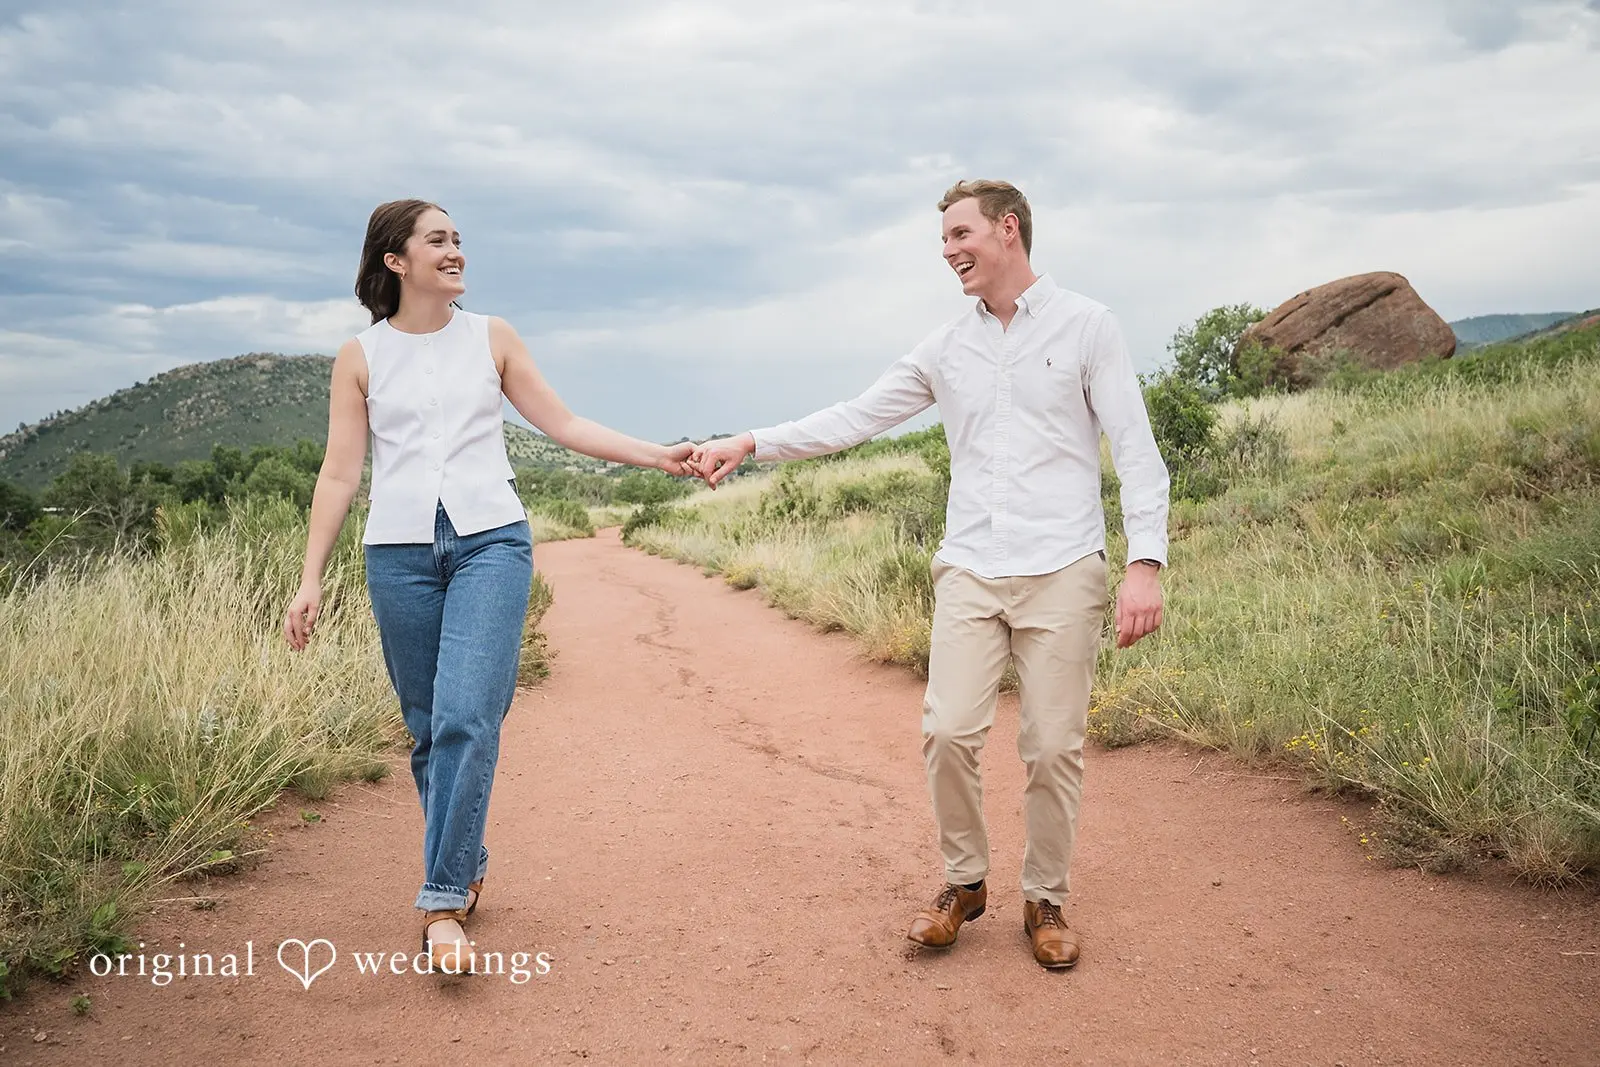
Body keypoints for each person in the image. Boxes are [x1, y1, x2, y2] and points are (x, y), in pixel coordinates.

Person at [690, 180, 1169, 970]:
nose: (947, 250)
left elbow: (1137, 451)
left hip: (1063, 569)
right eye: (943, 239)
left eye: (959, 233)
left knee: (1052, 747)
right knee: (947, 732)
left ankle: (1045, 897)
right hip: (973, 568)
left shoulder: (1089, 326)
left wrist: (1144, 564)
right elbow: (855, 417)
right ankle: (964, 881)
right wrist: (750, 441)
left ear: (1008, 230)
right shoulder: (947, 348)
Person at [283, 198, 695, 974]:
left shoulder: (491, 337)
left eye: (458, 239)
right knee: (427, 728)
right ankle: (466, 857)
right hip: (396, 553)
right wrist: (311, 580)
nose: (456, 251)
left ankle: (441, 903)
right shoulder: (360, 355)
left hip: (490, 543)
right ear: (396, 261)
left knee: (469, 713)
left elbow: (564, 425)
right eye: (438, 240)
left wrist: (658, 455)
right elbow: (340, 472)